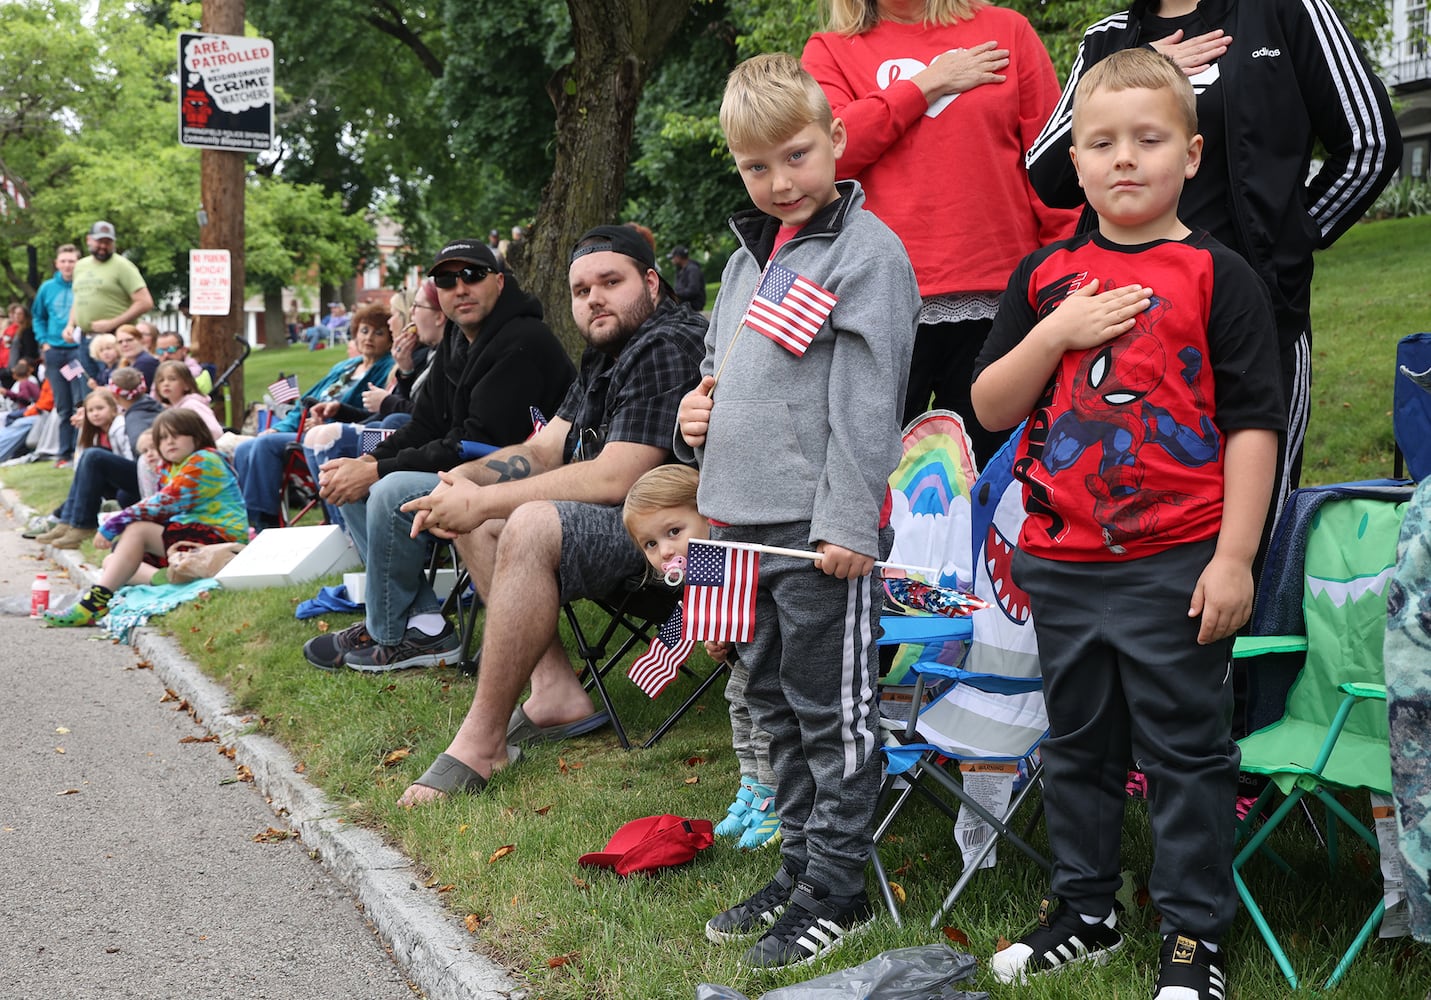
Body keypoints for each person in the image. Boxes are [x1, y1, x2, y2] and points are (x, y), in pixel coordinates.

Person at [970, 50, 1285, 999]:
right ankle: (1084, 911)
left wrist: (1233, 559)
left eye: (1147, 140)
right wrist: (1056, 334)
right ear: (1073, 160)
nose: (1122, 159)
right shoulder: (1045, 276)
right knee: (1077, 745)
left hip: (1175, 559)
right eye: (1099, 142)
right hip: (1061, 561)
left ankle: (1194, 937)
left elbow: (1252, 425)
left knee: (1187, 754)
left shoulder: (1215, 274)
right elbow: (988, 405)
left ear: (1190, 154)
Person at [669, 53, 918, 971]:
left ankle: (837, 890)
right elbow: (723, 381)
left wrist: (849, 520)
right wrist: (693, 418)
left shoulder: (867, 253)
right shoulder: (744, 260)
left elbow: (866, 400)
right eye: (756, 165)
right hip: (731, 526)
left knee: (832, 710)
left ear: (838, 141)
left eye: (797, 156)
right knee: (766, 701)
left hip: (816, 537)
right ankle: (798, 861)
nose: (780, 181)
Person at [1024, 0, 1400, 508]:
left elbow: (1369, 144)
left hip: (1257, 314)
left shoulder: (1287, 12)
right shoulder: (1108, 38)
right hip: (1127, 328)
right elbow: (1049, 175)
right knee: (1126, 496)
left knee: (1257, 514)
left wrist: (1291, 240)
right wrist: (1142, 67)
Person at [390, 223, 705, 801]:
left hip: (674, 542)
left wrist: (483, 499)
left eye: (611, 282)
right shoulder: (605, 352)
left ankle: (481, 741)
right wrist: (466, 482)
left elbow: (618, 477)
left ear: (652, 283)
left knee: (529, 521)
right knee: (480, 517)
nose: (595, 299)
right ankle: (554, 688)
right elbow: (542, 449)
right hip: (634, 526)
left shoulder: (667, 343)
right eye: (582, 291)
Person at [802, 0, 1077, 466]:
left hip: (1000, 293)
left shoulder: (1007, 30)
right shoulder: (828, 50)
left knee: (1002, 472)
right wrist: (928, 83)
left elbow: (1051, 171)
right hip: (876, 297)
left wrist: (1065, 275)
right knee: (872, 478)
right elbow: (831, 154)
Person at [299, 239, 575, 671]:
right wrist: (367, 463)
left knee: (390, 492)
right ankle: (423, 625)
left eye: (473, 275)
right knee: (347, 481)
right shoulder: (458, 340)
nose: (460, 287)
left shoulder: (524, 339)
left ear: (499, 282)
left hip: (527, 475)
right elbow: (425, 425)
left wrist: (380, 472)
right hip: (472, 466)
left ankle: (389, 634)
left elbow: (477, 440)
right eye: (447, 279)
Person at [621, 465, 780, 850]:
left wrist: (734, 633)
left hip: (773, 662)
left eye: (674, 532)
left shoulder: (738, 559)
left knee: (765, 724)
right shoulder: (698, 575)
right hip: (744, 662)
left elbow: (761, 608)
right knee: (740, 714)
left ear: (709, 517)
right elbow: (719, 619)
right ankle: (752, 787)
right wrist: (718, 641)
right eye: (651, 544)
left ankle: (776, 800)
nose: (665, 551)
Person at [42, 408, 246, 628]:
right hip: (193, 538)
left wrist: (114, 524)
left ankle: (92, 605)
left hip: (219, 539)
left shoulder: (204, 460)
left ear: (196, 436)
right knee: (114, 562)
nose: (169, 442)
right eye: (163, 438)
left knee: (137, 531)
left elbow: (162, 503)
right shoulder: (177, 466)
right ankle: (169, 577)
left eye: (176, 435)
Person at [233, 306, 395, 530]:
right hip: (303, 430)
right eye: (364, 331)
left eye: (378, 333)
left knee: (264, 444)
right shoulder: (345, 366)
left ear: (389, 340)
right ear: (356, 333)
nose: (369, 338)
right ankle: (248, 521)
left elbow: (371, 414)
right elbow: (305, 403)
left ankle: (265, 524)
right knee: (245, 448)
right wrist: (279, 428)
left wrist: (325, 423)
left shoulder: (387, 368)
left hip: (335, 437)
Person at [37, 367, 164, 550]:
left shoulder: (132, 418)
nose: (95, 414)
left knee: (94, 456)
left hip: (147, 480)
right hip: (136, 478)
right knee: (93, 454)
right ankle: (67, 520)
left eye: (100, 408)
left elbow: (138, 457)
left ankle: (83, 524)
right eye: (91, 410)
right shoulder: (140, 409)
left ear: (115, 401)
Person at [32, 244, 83, 458]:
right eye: (63, 261)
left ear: (78, 263)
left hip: (76, 351)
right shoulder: (47, 287)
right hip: (55, 351)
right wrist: (44, 342)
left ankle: (80, 448)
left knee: (79, 400)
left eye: (71, 261)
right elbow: (38, 316)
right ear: (57, 263)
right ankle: (64, 453)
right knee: (62, 404)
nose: (67, 265)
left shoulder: (83, 285)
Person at [152, 360, 223, 440]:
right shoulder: (171, 409)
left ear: (187, 385)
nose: (166, 383)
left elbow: (215, 432)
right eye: (161, 380)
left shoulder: (192, 405)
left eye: (172, 379)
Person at [667, 246, 706, 312]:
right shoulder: (680, 270)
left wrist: (675, 294)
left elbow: (693, 290)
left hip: (693, 306)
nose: (672, 260)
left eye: (673, 258)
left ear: (678, 257)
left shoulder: (693, 269)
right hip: (684, 305)